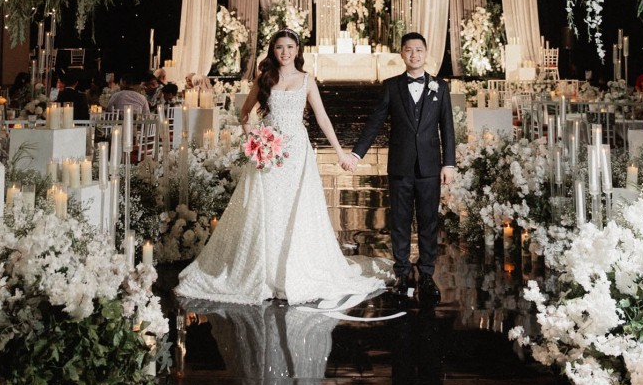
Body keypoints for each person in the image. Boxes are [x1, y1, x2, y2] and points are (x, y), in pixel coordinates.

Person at [176, 29, 387, 304]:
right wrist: (255, 140)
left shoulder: (307, 80)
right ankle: (265, 272)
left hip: (296, 152)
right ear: (273, 50)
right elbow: (244, 113)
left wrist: (340, 152)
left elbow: (322, 118)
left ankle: (293, 270)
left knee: (295, 208)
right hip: (268, 153)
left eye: (289, 47)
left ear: (297, 50)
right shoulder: (265, 78)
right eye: (279, 47)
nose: (285, 52)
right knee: (267, 208)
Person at [351, 32, 457, 305]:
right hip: (400, 165)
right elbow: (375, 123)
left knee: (428, 222)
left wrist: (449, 163)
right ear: (401, 53)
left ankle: (427, 274)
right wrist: (356, 153)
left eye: (419, 50)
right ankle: (401, 273)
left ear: (426, 53)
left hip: (430, 166)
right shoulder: (391, 86)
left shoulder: (440, 87)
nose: (414, 55)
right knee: (399, 221)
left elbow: (447, 127)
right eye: (409, 50)